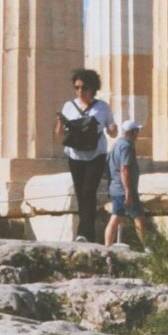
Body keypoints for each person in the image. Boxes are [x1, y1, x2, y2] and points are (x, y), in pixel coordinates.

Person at [59, 68, 118, 244]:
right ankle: (85, 234)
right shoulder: (68, 106)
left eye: (84, 87)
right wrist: (59, 123)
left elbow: (112, 131)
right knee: (80, 193)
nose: (80, 91)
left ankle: (84, 233)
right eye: (76, 87)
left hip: (96, 154)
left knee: (88, 192)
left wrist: (113, 130)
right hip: (75, 155)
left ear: (93, 88)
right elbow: (60, 134)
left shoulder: (102, 107)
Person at [105, 120, 144, 247]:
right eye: (137, 131)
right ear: (132, 133)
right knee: (139, 218)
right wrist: (128, 191)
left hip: (115, 188)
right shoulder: (127, 146)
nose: (138, 134)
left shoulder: (116, 144)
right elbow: (124, 169)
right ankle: (147, 247)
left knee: (115, 218)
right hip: (124, 189)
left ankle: (107, 246)